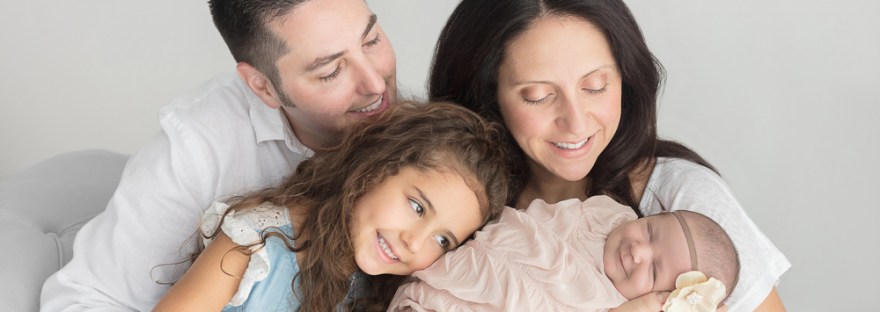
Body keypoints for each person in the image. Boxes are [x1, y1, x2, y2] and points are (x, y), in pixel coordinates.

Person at [427, 0, 790, 311]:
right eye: (537, 96)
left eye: (595, 87)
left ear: (625, 79)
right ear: (489, 95)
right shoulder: (450, 197)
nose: (576, 121)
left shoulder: (679, 199)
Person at [41, 0, 398, 310]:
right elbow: (82, 299)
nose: (376, 84)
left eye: (372, 40)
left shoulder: (422, 123)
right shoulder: (199, 147)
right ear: (263, 86)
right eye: (330, 71)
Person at [154, 102, 510, 311]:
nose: (414, 243)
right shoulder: (256, 244)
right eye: (417, 208)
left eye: (443, 240)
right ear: (375, 170)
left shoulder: (377, 288)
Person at [389, 195, 739, 311]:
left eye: (655, 270)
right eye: (649, 231)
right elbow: (525, 225)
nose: (638, 251)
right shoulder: (604, 214)